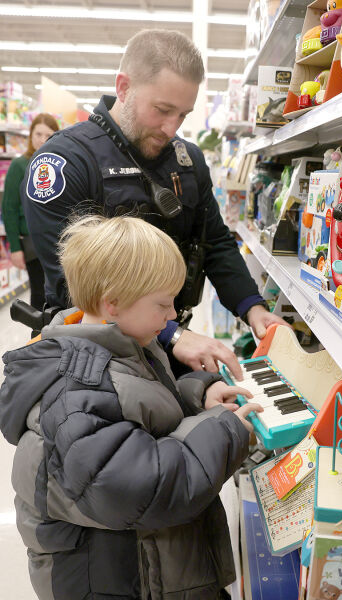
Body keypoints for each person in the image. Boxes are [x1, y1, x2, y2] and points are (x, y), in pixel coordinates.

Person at [0, 214, 263, 599]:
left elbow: (142, 411)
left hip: (147, 564)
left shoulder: (125, 344)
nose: (173, 316)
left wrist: (197, 397)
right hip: (118, 581)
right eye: (163, 304)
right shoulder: (76, 392)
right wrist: (225, 430)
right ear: (113, 303)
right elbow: (143, 488)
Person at [22, 29, 287, 378]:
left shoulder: (187, 160)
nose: (171, 128)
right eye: (162, 110)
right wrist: (172, 334)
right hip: (92, 358)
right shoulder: (65, 162)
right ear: (123, 87)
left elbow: (215, 242)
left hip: (169, 344)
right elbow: (73, 286)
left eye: (183, 115)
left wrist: (252, 307)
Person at [2, 113, 59, 309]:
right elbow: (8, 208)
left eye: (49, 135)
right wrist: (15, 248)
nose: (42, 140)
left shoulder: (59, 162)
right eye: (38, 134)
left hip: (57, 239)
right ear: (30, 136)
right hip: (32, 243)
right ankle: (38, 336)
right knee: (39, 292)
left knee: (59, 292)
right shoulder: (19, 165)